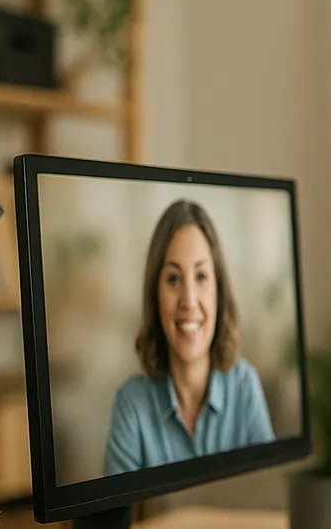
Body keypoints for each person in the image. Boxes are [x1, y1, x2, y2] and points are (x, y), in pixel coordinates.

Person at [103, 199, 275, 475]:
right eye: (173, 278)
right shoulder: (132, 403)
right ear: (154, 293)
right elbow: (115, 518)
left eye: (202, 276)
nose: (189, 300)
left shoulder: (244, 386)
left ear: (219, 291)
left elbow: (267, 503)